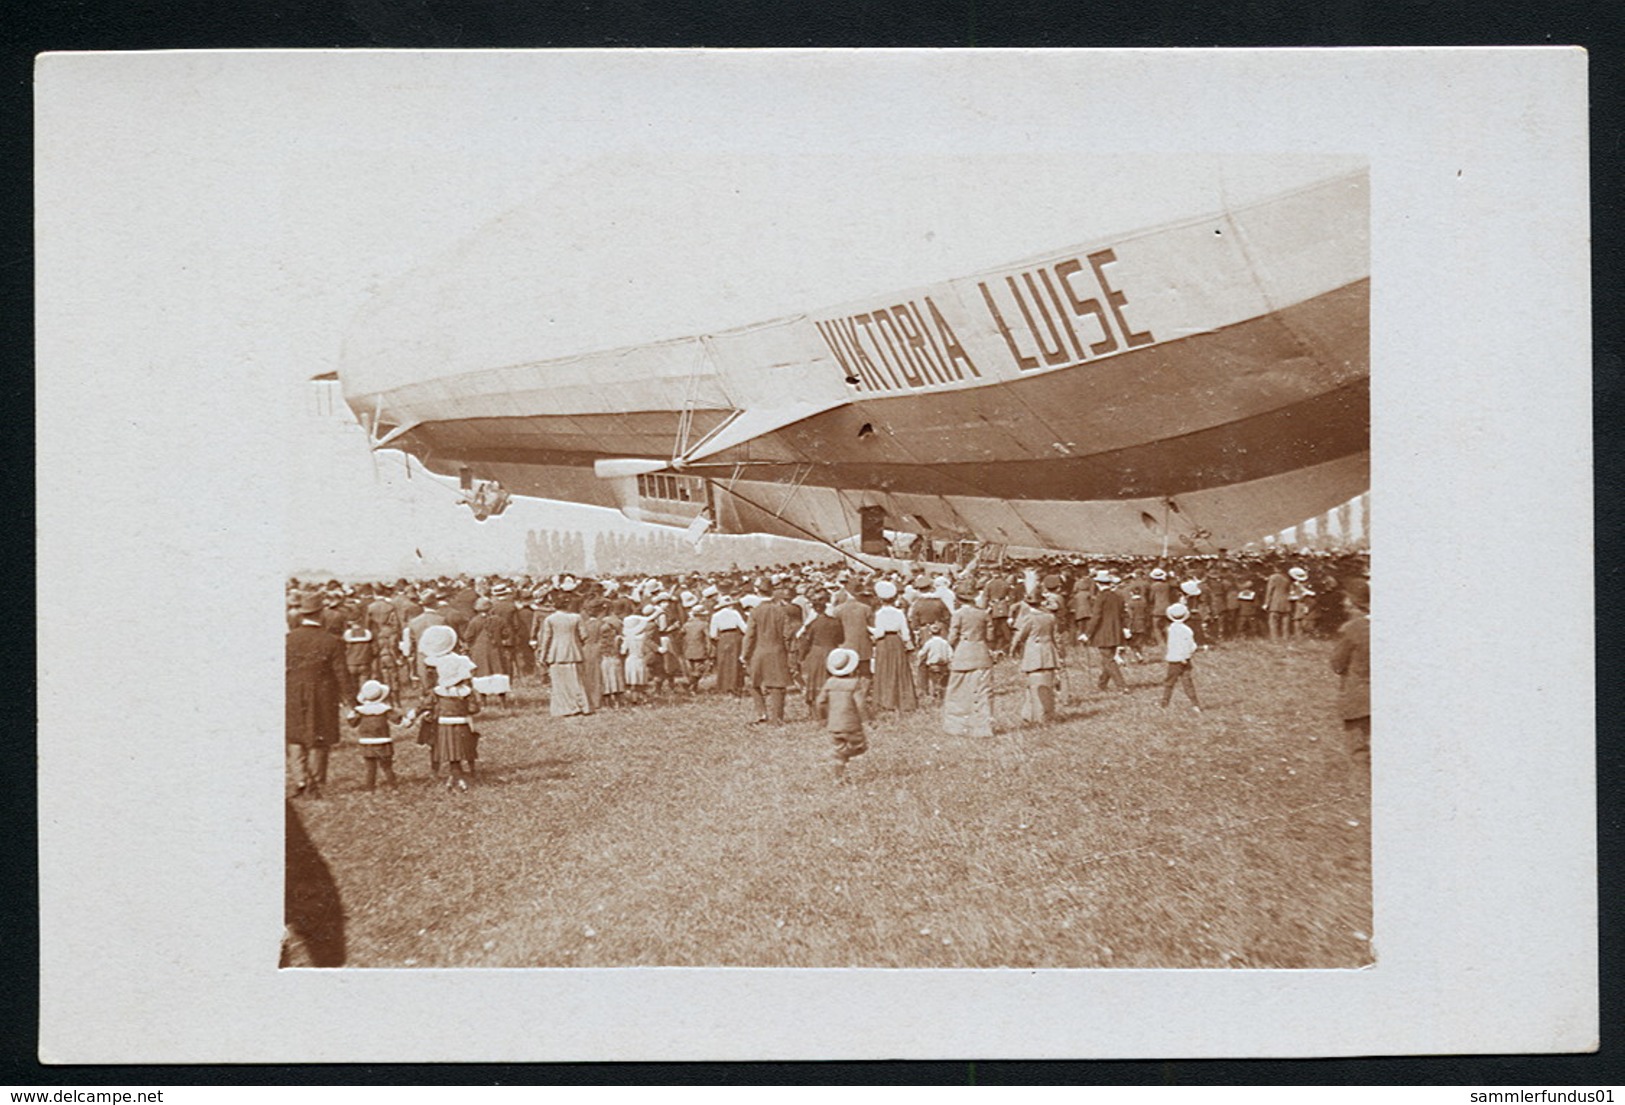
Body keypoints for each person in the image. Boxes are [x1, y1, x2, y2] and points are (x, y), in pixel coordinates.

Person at [286, 592, 353, 798]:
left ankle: (300, 780)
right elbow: (341, 673)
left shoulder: (289, 639)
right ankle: (315, 784)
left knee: (294, 736)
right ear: (321, 613)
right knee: (319, 737)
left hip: (293, 691)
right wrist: (349, 701)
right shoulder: (331, 641)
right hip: (322, 693)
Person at [1330, 577, 1371, 790]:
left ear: (1352, 601)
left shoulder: (1353, 628)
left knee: (1358, 746)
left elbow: (1337, 663)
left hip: (1359, 694)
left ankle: (1361, 789)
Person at [943, 593, 995, 737]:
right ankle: (983, 727)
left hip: (963, 654)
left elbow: (952, 636)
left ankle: (957, 726)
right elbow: (990, 636)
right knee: (982, 690)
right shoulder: (983, 614)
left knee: (957, 690)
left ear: (959, 599)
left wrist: (949, 646)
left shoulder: (958, 614)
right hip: (981, 652)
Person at [743, 586, 797, 724]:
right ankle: (777, 718)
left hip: (759, 651)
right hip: (777, 651)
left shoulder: (755, 612)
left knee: (754, 683)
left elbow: (749, 635)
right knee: (777, 685)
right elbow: (787, 635)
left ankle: (761, 713)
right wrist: (789, 652)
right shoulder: (781, 611)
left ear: (758, 593)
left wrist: (745, 654)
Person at [538, 591, 593, 716]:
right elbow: (584, 635)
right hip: (574, 651)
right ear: (568, 605)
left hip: (556, 653)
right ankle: (582, 706)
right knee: (577, 681)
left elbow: (546, 639)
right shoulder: (576, 617)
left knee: (560, 683)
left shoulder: (550, 619)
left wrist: (543, 656)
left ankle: (564, 708)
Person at [1010, 593, 1061, 724]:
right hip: (1048, 652)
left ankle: (1037, 716)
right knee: (1048, 685)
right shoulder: (1050, 617)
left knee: (1035, 685)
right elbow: (1056, 636)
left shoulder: (1029, 618)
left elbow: (1021, 636)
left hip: (1034, 653)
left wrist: (1013, 648)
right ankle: (1045, 714)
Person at [818, 648, 868, 783]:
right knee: (860, 747)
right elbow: (860, 704)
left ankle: (838, 774)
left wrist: (823, 718)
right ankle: (842, 762)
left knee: (838, 748)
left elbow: (820, 702)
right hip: (851, 724)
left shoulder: (830, 682)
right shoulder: (854, 683)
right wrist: (867, 720)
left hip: (834, 725)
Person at [868, 579, 918, 712]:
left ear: (880, 599)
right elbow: (906, 633)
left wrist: (869, 629)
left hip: (884, 642)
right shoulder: (899, 613)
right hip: (897, 641)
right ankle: (903, 701)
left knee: (884, 669)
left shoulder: (879, 614)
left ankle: (885, 701)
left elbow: (879, 633)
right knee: (899, 668)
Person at [346, 679, 401, 790]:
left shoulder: (360, 711)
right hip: (383, 741)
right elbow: (397, 720)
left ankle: (369, 788)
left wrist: (351, 715)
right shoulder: (385, 709)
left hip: (367, 742)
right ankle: (393, 786)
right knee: (387, 767)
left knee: (370, 768)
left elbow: (353, 723)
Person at [1082, 571, 1130, 695]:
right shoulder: (1118, 596)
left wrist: (1087, 634)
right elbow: (1124, 614)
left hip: (1103, 632)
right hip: (1116, 631)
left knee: (1108, 660)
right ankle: (1102, 684)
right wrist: (1125, 628)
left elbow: (1096, 616)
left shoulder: (1100, 597)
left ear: (1098, 583)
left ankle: (1122, 686)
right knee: (1107, 659)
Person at [1158, 603, 1202, 713]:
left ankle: (1164, 703)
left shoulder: (1170, 629)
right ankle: (1195, 704)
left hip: (1174, 660)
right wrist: (1187, 655)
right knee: (1187, 682)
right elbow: (1191, 645)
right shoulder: (1187, 630)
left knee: (1169, 682)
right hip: (1186, 659)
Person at [709, 595, 747, 696]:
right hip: (735, 637)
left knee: (723, 662)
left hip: (723, 638)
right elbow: (744, 629)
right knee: (735, 662)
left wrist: (718, 639)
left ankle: (724, 687)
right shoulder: (735, 613)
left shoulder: (716, 615)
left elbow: (712, 634)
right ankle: (735, 686)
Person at [915, 623, 951, 701]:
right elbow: (951, 654)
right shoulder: (945, 643)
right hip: (944, 665)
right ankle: (942, 696)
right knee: (943, 681)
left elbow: (921, 653)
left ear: (930, 633)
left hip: (933, 665)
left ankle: (933, 696)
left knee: (933, 681)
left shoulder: (929, 642)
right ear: (941, 632)